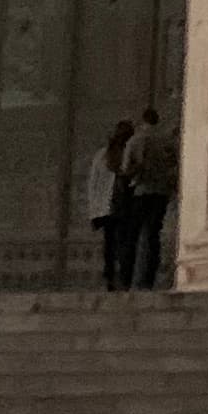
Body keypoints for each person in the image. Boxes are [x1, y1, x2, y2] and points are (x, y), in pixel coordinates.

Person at [118, 103, 180, 291]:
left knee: (133, 235)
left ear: (143, 120)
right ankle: (148, 280)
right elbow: (175, 165)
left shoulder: (135, 141)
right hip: (160, 193)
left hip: (141, 192)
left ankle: (126, 279)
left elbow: (126, 169)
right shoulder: (166, 141)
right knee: (153, 236)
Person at [86, 119, 131, 288]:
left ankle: (114, 275)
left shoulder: (104, 155)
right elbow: (94, 184)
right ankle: (118, 275)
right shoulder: (107, 155)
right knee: (118, 242)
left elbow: (93, 184)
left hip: (113, 206)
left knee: (113, 243)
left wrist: (94, 210)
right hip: (118, 205)